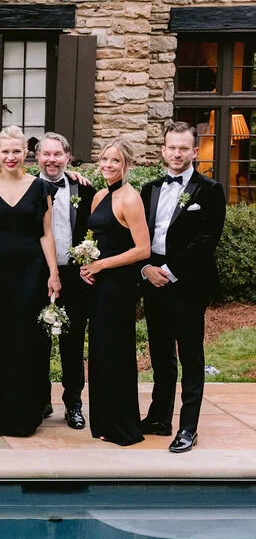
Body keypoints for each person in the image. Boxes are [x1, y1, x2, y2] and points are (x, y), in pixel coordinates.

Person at [139, 121, 227, 453]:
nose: (176, 154)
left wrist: (170, 270)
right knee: (160, 354)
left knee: (190, 356)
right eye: (171, 147)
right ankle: (160, 417)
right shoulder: (150, 189)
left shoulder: (210, 190)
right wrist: (146, 269)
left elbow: (206, 241)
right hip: (153, 280)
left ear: (194, 151)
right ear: (163, 151)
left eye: (183, 148)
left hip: (188, 283)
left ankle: (188, 427)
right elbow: (139, 238)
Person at [0, 126, 60, 437]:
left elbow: (46, 233)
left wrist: (54, 273)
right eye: (5, 151)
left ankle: (26, 412)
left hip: (31, 273)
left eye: (17, 151)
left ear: (26, 153)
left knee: (28, 341)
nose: (11, 157)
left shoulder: (40, 189)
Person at [79, 140, 151, 446]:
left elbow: (143, 249)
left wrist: (102, 265)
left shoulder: (130, 199)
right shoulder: (99, 196)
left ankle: (122, 424)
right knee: (99, 351)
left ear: (127, 165)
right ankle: (104, 421)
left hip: (119, 287)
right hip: (98, 285)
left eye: (115, 160)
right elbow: (95, 238)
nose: (108, 165)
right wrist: (86, 264)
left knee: (116, 351)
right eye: (104, 159)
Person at [36, 132, 95, 429]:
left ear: (68, 157)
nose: (52, 159)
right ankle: (40, 401)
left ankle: (73, 404)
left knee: (72, 343)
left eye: (57, 154)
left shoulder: (83, 190)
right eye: (46, 154)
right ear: (37, 158)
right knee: (37, 342)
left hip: (74, 276)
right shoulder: (27, 189)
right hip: (37, 276)